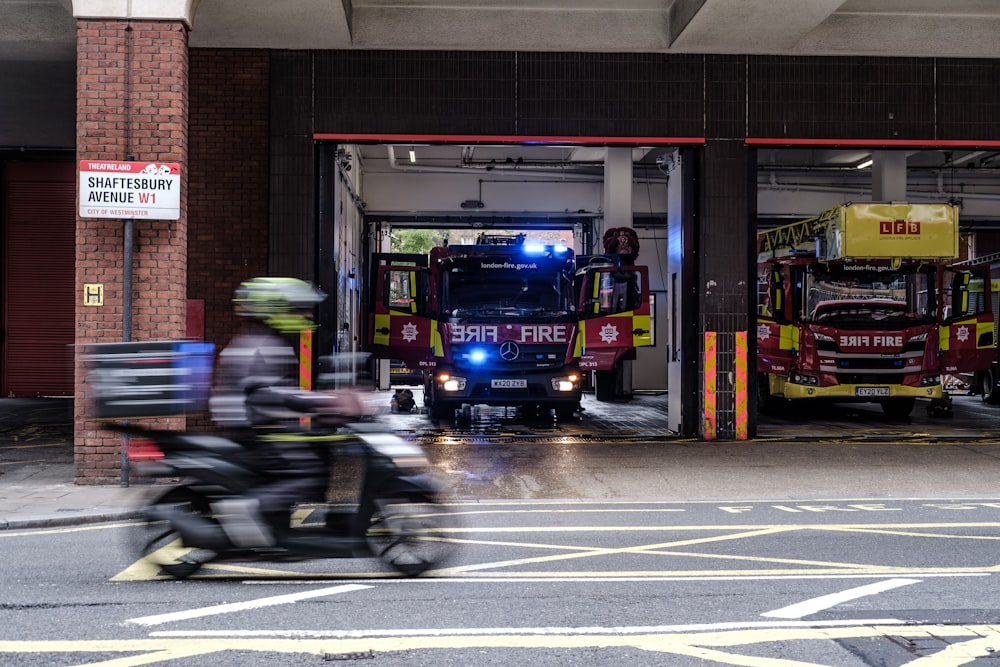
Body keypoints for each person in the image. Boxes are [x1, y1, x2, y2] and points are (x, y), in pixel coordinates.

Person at [208, 276, 353, 547]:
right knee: (309, 473)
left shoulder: (263, 340)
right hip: (254, 432)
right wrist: (325, 401)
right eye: (299, 308)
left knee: (319, 446)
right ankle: (250, 508)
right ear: (276, 308)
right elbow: (272, 392)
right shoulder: (262, 346)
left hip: (260, 425)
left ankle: (278, 525)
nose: (308, 315)